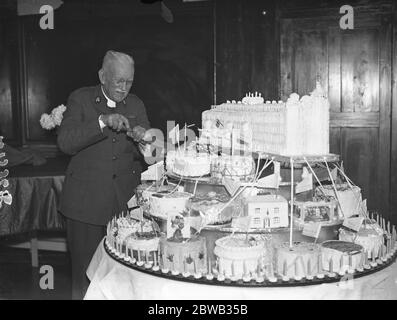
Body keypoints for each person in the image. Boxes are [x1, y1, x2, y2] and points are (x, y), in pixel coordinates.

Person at [57, 50, 150, 299]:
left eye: (129, 81)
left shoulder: (136, 104)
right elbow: (65, 143)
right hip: (84, 207)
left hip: (124, 207)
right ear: (102, 76)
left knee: (124, 278)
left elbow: (150, 156)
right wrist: (102, 121)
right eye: (118, 80)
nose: (123, 88)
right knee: (85, 279)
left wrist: (145, 140)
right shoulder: (80, 98)